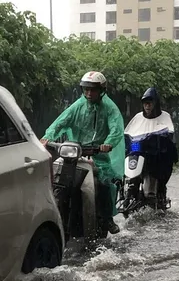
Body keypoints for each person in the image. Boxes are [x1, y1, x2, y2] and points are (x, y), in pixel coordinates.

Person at [40, 71, 126, 234]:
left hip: (98, 156)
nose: (88, 93)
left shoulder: (110, 108)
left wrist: (107, 144)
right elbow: (59, 123)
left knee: (103, 182)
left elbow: (116, 128)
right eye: (86, 89)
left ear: (101, 90)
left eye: (92, 89)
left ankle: (107, 218)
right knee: (56, 177)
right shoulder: (77, 106)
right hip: (75, 154)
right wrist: (46, 138)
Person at [124, 87, 178, 208]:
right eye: (145, 103)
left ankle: (158, 195)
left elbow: (168, 132)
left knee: (152, 187)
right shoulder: (138, 117)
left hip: (156, 156)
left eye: (150, 103)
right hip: (139, 153)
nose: (147, 106)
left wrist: (157, 138)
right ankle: (130, 192)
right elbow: (128, 132)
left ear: (155, 103)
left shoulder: (164, 116)